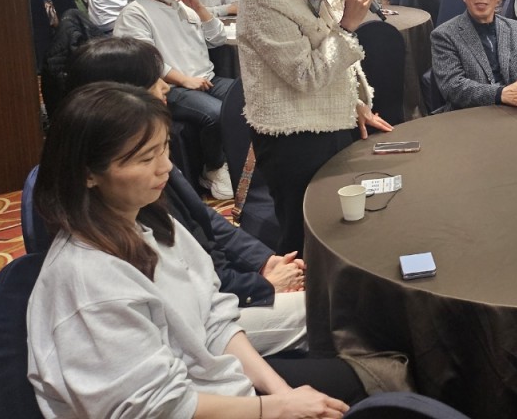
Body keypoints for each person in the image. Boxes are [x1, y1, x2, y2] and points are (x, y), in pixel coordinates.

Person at [27, 83, 361, 418]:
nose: (165, 167)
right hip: (189, 402)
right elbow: (155, 407)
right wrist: (272, 407)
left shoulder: (152, 222)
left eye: (165, 148)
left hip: (213, 385)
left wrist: (281, 393)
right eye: (146, 158)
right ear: (88, 174)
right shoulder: (89, 281)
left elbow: (214, 318)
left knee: (357, 342)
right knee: (366, 377)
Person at [65, 37, 307, 356]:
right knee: (329, 309)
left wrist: (264, 262)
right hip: (194, 323)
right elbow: (183, 282)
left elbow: (204, 224)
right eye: (154, 80)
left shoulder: (146, 156)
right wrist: (262, 286)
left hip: (214, 299)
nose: (166, 87)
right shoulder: (121, 199)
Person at [238, 0, 392, 255]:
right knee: (307, 233)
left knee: (347, 224)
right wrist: (349, 25)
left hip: (334, 117)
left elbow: (330, 44)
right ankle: (308, 293)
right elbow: (306, 74)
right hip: (294, 135)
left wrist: (354, 103)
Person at [113, 0, 235, 200]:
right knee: (214, 114)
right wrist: (184, 79)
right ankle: (212, 169)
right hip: (171, 86)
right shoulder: (135, 12)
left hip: (206, 77)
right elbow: (145, 60)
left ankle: (238, 159)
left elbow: (218, 38)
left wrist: (199, 7)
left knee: (245, 98)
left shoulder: (185, 7)